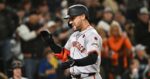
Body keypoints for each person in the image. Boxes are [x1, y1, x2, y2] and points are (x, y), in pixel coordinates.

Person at [41, 4, 102, 79]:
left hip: (89, 77)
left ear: (82, 16)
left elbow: (93, 58)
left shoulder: (91, 34)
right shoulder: (74, 35)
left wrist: (73, 62)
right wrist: (51, 43)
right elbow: (64, 54)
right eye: (69, 19)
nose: (70, 22)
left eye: (72, 18)